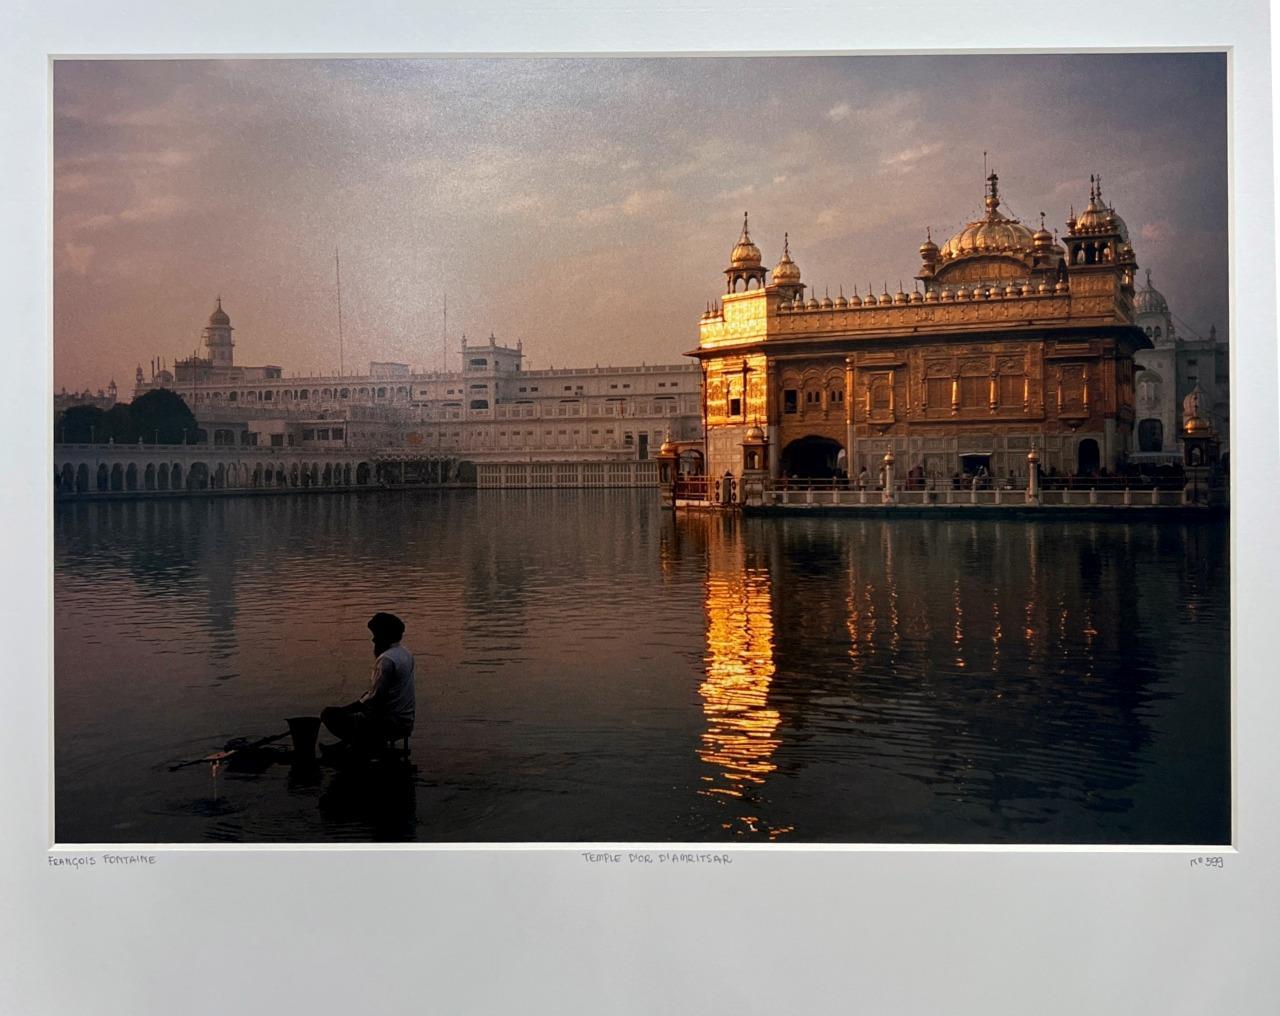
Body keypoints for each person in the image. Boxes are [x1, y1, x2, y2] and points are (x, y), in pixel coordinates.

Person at [321, 612, 416, 755]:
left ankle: (360, 747)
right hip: (406, 720)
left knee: (328, 714)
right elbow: (380, 693)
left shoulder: (386, 660)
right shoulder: (405, 653)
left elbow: (376, 698)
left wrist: (347, 709)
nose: (373, 640)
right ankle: (345, 745)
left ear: (384, 635)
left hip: (389, 723)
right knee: (354, 712)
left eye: (375, 635)